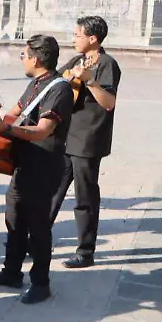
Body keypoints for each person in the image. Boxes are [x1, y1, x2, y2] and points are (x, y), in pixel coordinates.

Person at [0, 36, 74, 304]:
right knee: (14, 219)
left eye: (24, 55)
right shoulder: (36, 84)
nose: (22, 59)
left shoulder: (59, 89)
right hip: (24, 163)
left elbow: (43, 131)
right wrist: (1, 129)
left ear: (35, 58)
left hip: (44, 165)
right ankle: (11, 272)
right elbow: (16, 111)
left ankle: (41, 282)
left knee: (38, 226)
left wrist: (7, 130)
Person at [51, 16, 120, 269]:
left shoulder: (107, 64)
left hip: (89, 139)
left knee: (85, 197)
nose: (74, 39)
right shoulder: (76, 60)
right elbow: (56, 81)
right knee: (52, 190)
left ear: (93, 38)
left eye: (78, 35)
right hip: (66, 136)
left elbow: (109, 102)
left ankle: (85, 251)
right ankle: (36, 240)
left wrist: (90, 80)